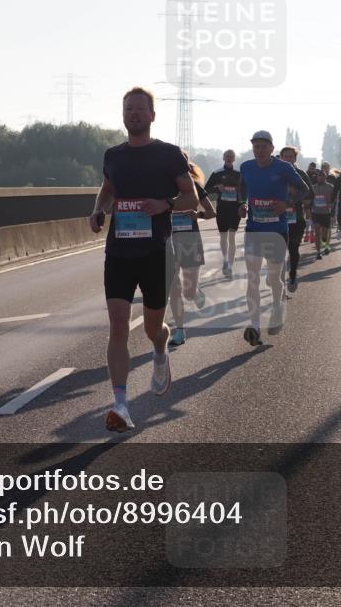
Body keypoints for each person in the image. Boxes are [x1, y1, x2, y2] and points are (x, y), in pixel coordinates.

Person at [89, 87, 197, 432]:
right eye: (128, 109)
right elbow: (108, 189)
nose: (133, 113)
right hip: (119, 251)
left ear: (152, 115)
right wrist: (97, 210)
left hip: (155, 253)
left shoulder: (168, 154)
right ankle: (121, 405)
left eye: (139, 109)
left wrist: (165, 203)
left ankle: (161, 351)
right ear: (123, 116)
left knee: (153, 327)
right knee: (118, 324)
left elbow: (191, 197)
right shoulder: (113, 156)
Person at [238, 131, 305, 345]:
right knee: (253, 277)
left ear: (271, 148)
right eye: (256, 146)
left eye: (263, 146)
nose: (259, 150)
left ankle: (277, 304)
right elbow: (242, 189)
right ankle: (255, 325)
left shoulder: (284, 167)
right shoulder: (246, 167)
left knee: (274, 277)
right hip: (254, 229)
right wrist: (242, 204)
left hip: (277, 229)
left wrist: (287, 203)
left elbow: (304, 189)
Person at [168, 155, 216, 347]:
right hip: (169, 240)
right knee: (174, 288)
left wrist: (198, 215)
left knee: (187, 292)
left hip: (190, 240)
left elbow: (212, 212)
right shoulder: (160, 186)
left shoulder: (195, 186)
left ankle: (195, 292)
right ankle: (179, 330)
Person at [278, 146, 314, 293]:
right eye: (285, 156)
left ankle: (292, 274)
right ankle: (278, 280)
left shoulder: (300, 174)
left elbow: (310, 194)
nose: (287, 159)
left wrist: (295, 195)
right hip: (277, 218)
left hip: (296, 218)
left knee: (293, 249)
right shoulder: (275, 173)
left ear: (295, 159)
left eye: (290, 157)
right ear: (280, 158)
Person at [203, 149, 241, 279]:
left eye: (231, 156)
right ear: (223, 157)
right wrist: (217, 188)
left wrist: (243, 203)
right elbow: (206, 189)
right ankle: (225, 260)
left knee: (232, 237)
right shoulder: (217, 173)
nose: (229, 158)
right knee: (223, 237)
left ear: (234, 158)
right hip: (222, 208)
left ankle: (230, 265)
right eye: (227, 156)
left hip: (235, 209)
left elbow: (245, 190)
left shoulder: (239, 174)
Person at [310, 170, 334, 259]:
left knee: (325, 233)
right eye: (319, 176)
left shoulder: (330, 187)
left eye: (322, 176)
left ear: (325, 177)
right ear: (317, 177)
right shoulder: (313, 188)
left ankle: (325, 243)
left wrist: (332, 206)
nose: (320, 177)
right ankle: (318, 252)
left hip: (326, 213)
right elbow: (310, 200)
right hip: (316, 213)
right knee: (317, 232)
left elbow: (335, 199)